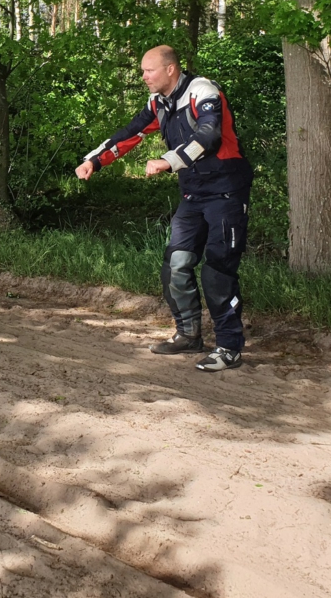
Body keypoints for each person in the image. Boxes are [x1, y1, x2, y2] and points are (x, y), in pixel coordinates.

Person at [75, 46, 253, 372]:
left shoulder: (202, 91)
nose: (143, 76)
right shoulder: (158, 102)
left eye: (149, 70)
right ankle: (188, 335)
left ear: (170, 69)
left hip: (226, 192)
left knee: (217, 272)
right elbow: (131, 133)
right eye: (142, 71)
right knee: (176, 265)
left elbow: (209, 136)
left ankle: (229, 348)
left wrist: (169, 161)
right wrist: (94, 161)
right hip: (193, 194)